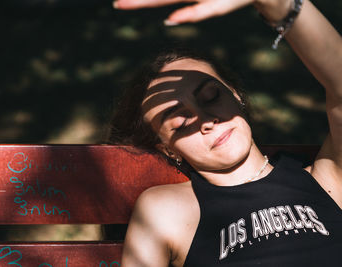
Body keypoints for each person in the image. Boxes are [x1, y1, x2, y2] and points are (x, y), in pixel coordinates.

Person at [109, 0, 342, 266]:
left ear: (236, 96)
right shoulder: (167, 210)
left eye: (211, 97)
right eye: (181, 122)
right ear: (168, 148)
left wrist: (281, 6)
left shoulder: (327, 179)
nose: (206, 120)